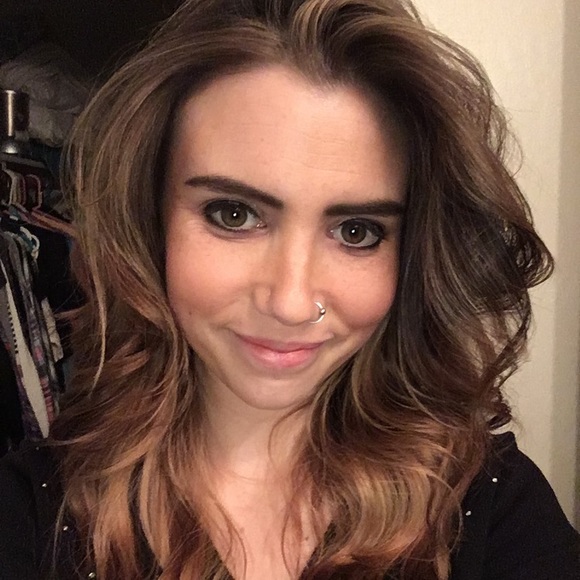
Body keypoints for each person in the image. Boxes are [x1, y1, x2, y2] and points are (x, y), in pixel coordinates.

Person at [0, 0, 578, 578]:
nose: (291, 303)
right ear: (149, 219)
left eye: (357, 232)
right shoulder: (30, 512)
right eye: (233, 215)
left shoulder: (491, 506)